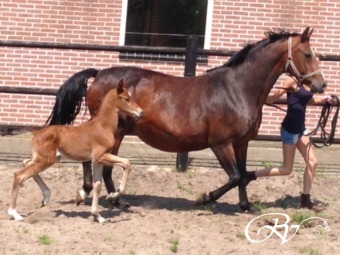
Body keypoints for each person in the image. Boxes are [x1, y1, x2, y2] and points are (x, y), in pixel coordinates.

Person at [247, 76, 332, 212]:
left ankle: (305, 199)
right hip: (290, 130)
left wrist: (324, 99)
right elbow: (273, 98)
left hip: (301, 130)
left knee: (313, 162)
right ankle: (251, 175)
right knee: (287, 169)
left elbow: (307, 100)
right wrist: (258, 96)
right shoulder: (292, 80)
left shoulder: (307, 82)